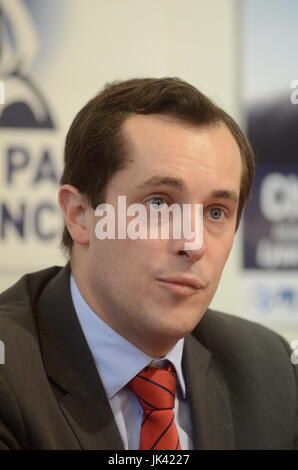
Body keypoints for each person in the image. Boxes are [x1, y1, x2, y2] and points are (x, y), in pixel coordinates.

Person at [0, 77, 297, 450]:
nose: (193, 243)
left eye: (216, 212)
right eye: (159, 203)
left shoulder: (270, 370)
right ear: (80, 215)